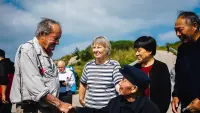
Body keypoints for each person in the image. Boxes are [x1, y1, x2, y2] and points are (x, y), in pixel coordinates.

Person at [9, 18, 72, 113]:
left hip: (46, 108)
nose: (58, 42)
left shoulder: (47, 55)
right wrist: (60, 104)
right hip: (30, 109)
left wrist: (56, 106)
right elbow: (36, 86)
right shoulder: (27, 50)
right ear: (42, 34)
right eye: (55, 38)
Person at [75, 65, 160, 113]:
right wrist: (76, 110)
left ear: (134, 88)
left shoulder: (149, 108)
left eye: (124, 80)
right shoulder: (115, 101)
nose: (120, 82)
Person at [79, 36, 123, 109]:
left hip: (108, 109)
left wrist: (121, 90)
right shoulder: (88, 66)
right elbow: (83, 83)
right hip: (90, 108)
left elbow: (118, 82)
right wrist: (81, 98)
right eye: (94, 47)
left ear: (106, 49)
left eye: (99, 47)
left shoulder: (114, 65)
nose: (95, 50)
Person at [133, 36, 171, 113]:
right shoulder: (134, 68)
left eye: (139, 51)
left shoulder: (161, 67)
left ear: (150, 51)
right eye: (136, 51)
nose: (136, 54)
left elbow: (166, 95)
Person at [172, 11, 200, 113]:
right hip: (187, 105)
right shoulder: (182, 49)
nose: (178, 34)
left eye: (180, 30)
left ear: (194, 26)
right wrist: (176, 94)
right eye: (175, 30)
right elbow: (179, 74)